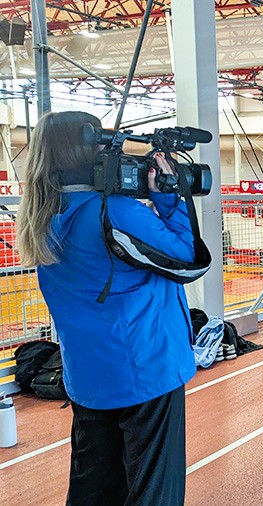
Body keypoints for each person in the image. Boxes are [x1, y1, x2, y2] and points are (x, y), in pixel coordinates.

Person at [16, 111, 195, 504]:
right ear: (83, 151)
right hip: (146, 370)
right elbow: (188, 257)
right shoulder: (115, 212)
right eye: (101, 142)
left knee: (93, 488)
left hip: (89, 375)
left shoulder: (43, 217)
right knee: (153, 491)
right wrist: (168, 199)